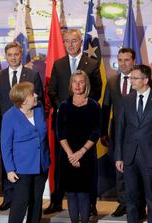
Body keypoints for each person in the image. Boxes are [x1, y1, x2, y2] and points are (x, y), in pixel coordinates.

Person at [47, 28, 102, 215]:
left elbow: (97, 90)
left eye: (74, 41)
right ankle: (56, 201)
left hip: (86, 126)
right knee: (62, 166)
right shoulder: (59, 64)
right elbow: (52, 91)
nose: (70, 44)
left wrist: (82, 105)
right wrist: (65, 107)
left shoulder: (93, 63)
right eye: (67, 41)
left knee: (88, 171)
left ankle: (91, 205)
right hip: (65, 124)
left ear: (81, 42)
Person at [0, 41, 44, 212]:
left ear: (21, 55)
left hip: (26, 128)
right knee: (8, 160)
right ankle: (8, 197)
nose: (13, 57)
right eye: (10, 55)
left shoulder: (32, 75)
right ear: (5, 57)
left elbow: (40, 100)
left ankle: (24, 199)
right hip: (6, 127)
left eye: (16, 54)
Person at [115, 65, 152, 223]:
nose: (130, 80)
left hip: (150, 157)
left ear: (145, 80)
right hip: (129, 157)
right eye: (131, 77)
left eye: (134, 78)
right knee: (131, 198)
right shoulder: (125, 100)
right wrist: (118, 157)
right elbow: (120, 130)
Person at [101, 48, 146, 218]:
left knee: (138, 170)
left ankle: (139, 205)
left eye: (126, 60)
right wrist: (103, 132)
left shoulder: (142, 81)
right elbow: (106, 108)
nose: (123, 63)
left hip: (138, 134)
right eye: (120, 60)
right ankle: (123, 203)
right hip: (117, 134)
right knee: (119, 170)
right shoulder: (112, 81)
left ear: (133, 61)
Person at [0, 82, 50, 223]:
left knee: (36, 203)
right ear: (23, 100)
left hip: (41, 165)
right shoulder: (9, 117)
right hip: (22, 168)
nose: (36, 95)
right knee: (21, 203)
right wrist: (9, 169)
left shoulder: (39, 108)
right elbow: (5, 145)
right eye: (32, 94)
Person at [56, 70, 101, 223]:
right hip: (67, 155)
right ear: (71, 84)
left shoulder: (94, 106)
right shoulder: (64, 105)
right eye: (75, 81)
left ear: (86, 85)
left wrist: (80, 153)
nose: (77, 85)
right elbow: (60, 133)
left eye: (81, 82)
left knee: (83, 193)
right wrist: (71, 154)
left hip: (86, 155)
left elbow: (96, 133)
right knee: (71, 192)